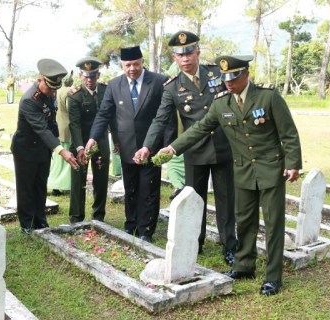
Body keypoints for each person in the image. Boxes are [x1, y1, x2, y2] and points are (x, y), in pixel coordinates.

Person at [158, 55, 302, 296]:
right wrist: (173, 148)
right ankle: (245, 265)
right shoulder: (221, 103)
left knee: (273, 223)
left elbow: (288, 133)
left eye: (233, 77)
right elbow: (200, 129)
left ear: (246, 74)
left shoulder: (268, 96)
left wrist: (293, 163)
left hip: (270, 169)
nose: (228, 82)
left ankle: (273, 277)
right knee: (244, 221)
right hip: (243, 170)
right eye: (225, 78)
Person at [135, 31, 238, 265]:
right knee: (194, 199)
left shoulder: (216, 73)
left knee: (225, 199)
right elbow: (160, 120)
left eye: (189, 53)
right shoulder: (172, 87)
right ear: (175, 57)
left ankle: (229, 245)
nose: (185, 59)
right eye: (180, 55)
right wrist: (147, 147)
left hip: (223, 147)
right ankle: (195, 242)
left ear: (198, 52)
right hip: (195, 150)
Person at [85, 46, 169, 242]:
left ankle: (146, 230)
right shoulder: (115, 85)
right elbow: (104, 114)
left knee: (148, 189)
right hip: (127, 145)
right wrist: (93, 138)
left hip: (151, 146)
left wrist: (165, 143)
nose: (132, 68)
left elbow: (166, 116)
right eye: (128, 65)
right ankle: (130, 224)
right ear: (122, 65)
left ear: (142, 62)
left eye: (136, 64)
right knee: (130, 187)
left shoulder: (158, 81)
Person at [11, 58, 79, 234]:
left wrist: (55, 140)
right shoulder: (29, 100)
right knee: (26, 188)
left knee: (40, 186)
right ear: (39, 79)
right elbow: (41, 128)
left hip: (42, 149)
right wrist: (61, 150)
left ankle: (40, 221)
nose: (52, 92)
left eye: (54, 89)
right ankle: (27, 225)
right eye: (49, 88)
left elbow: (51, 122)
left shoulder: (50, 93)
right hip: (25, 150)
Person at [68, 56, 117, 223]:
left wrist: (116, 140)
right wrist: (80, 147)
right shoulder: (75, 95)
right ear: (81, 76)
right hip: (80, 142)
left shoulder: (105, 91)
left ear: (98, 75)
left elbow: (112, 118)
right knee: (77, 181)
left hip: (101, 141)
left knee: (101, 179)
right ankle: (76, 216)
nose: (89, 80)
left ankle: (98, 216)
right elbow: (74, 124)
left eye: (93, 76)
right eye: (86, 76)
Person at [47, 71, 74, 196]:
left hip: (57, 127)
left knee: (57, 162)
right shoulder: (68, 92)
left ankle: (54, 185)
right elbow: (71, 110)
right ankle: (60, 185)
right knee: (65, 163)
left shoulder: (55, 90)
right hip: (67, 129)